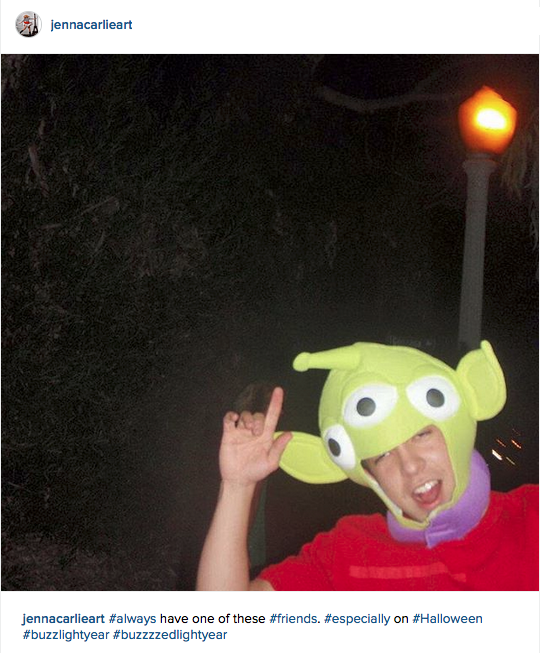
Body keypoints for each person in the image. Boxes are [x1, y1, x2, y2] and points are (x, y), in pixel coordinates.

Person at [197, 341, 538, 590]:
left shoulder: (530, 519)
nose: (410, 467)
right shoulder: (348, 554)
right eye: (382, 456)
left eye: (421, 435)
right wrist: (238, 486)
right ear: (367, 474)